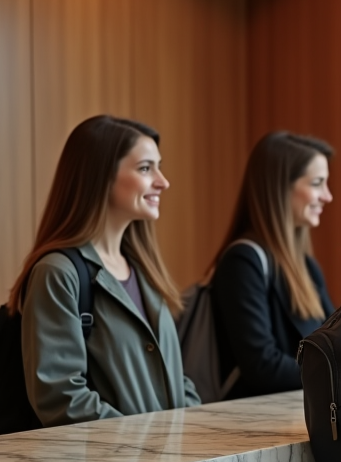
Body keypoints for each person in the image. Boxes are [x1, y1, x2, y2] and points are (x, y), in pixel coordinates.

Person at [12, 114, 201, 426]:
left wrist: (192, 431)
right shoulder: (58, 273)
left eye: (159, 166)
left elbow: (176, 377)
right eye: (145, 168)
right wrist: (149, 446)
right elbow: (62, 398)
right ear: (100, 177)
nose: (162, 181)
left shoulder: (144, 270)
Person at [209, 132, 336, 399]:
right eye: (317, 184)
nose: (328, 196)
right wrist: (336, 373)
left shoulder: (307, 267)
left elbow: (336, 344)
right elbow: (261, 365)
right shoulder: (242, 262)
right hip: (249, 427)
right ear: (280, 189)